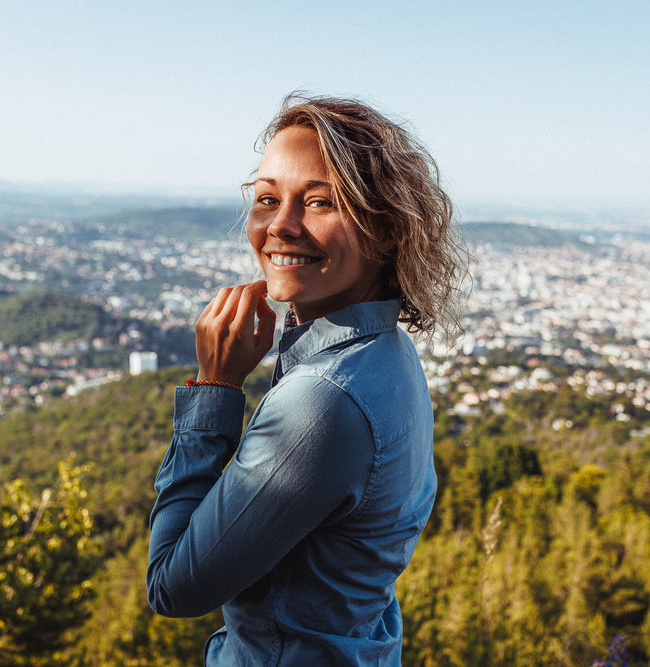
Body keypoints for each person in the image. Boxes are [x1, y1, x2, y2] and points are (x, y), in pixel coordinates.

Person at [147, 93, 468, 665]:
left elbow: (172, 587)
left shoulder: (323, 402)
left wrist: (215, 388)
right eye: (267, 199)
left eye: (320, 202)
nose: (281, 226)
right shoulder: (388, 354)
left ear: (388, 228)